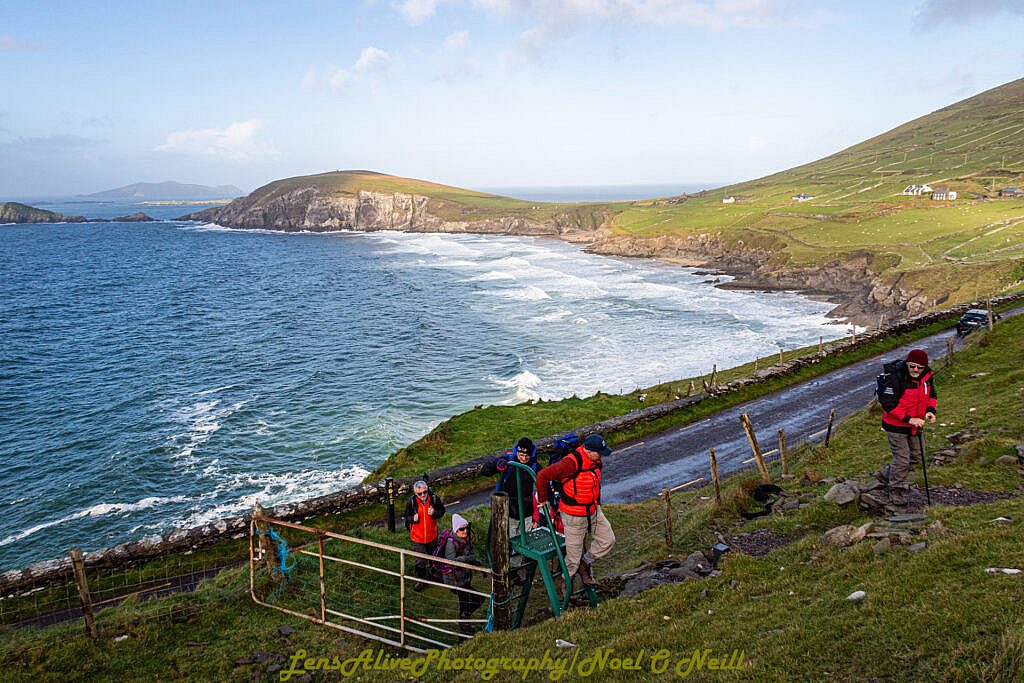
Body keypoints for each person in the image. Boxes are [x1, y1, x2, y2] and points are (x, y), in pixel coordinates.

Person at [536, 433, 616, 588]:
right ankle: (566, 589)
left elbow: (595, 485)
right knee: (572, 559)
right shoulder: (570, 463)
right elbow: (543, 475)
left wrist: (597, 504)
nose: (602, 456)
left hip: (593, 511)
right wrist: (543, 500)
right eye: (600, 452)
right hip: (573, 516)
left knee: (608, 540)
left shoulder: (596, 461)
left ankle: (585, 564)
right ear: (589, 451)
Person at [872, 348, 938, 509]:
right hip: (896, 426)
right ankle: (896, 490)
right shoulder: (896, 378)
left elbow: (932, 395)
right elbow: (888, 404)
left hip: (916, 425)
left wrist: (930, 411)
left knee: (917, 456)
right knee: (902, 459)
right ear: (907, 364)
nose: (915, 370)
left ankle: (885, 474)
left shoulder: (927, 378)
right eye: (912, 366)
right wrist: (910, 419)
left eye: (919, 367)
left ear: (924, 367)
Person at [485, 437, 541, 540]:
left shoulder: (534, 466)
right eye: (521, 455)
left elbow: (544, 481)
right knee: (510, 543)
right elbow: (485, 471)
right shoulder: (508, 461)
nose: (523, 459)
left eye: (526, 456)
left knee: (526, 544)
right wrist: (496, 465)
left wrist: (535, 517)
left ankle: (522, 557)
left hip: (526, 513)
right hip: (508, 512)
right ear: (517, 452)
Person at [439, 513, 486, 634]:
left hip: (463, 578)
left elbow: (469, 555)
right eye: (461, 529)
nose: (465, 531)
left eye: (466, 528)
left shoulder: (465, 540)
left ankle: (464, 621)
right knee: (477, 599)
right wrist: (467, 559)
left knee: (467, 601)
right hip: (455, 580)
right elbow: (450, 561)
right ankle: (463, 620)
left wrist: (476, 564)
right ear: (456, 530)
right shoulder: (451, 543)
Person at [404, 480, 445, 591]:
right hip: (417, 537)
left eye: (425, 492)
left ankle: (434, 574)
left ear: (427, 490)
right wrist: (413, 519)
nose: (423, 495)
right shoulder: (411, 502)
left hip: (432, 535)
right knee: (421, 561)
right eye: (419, 493)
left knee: (433, 557)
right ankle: (421, 581)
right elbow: (406, 516)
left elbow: (442, 510)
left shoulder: (434, 499)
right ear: (415, 493)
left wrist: (434, 513)